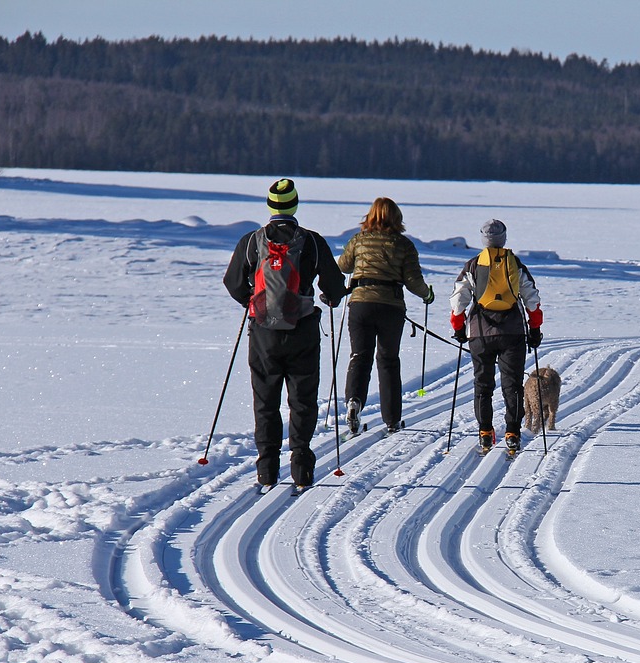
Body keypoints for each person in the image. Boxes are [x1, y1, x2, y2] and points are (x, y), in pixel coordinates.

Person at [223, 179, 347, 492]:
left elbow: (233, 282)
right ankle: (302, 469)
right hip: (302, 331)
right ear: (294, 205)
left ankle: (266, 470)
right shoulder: (313, 242)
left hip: (263, 332)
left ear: (270, 206)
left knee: (265, 400)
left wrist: (254, 303)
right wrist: (328, 297)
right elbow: (333, 287)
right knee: (302, 400)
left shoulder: (252, 242)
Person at [336, 197, 435, 435]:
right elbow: (412, 281)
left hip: (360, 304)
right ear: (397, 218)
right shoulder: (403, 245)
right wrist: (427, 294)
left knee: (360, 356)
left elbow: (343, 266)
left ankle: (354, 401)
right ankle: (391, 419)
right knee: (388, 361)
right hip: (391, 306)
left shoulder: (358, 240)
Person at [450, 219, 544, 455]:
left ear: (483, 240)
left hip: (480, 334)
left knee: (483, 384)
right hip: (512, 333)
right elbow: (532, 300)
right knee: (512, 385)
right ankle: (512, 432)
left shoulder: (473, 265)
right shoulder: (515, 264)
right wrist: (534, 330)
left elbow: (458, 300)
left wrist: (459, 328)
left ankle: (485, 432)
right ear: (504, 238)